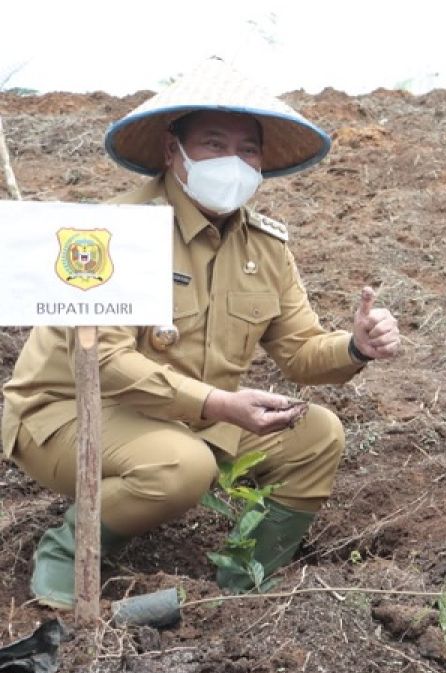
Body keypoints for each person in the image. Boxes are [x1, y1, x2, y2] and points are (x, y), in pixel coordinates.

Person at [1, 58, 401, 608]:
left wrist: (357, 345)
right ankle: (69, 554)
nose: (233, 162)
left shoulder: (265, 246)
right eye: (214, 144)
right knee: (182, 467)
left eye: (248, 150)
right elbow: (107, 362)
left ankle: (241, 578)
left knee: (318, 436)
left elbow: (301, 352)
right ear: (173, 151)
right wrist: (218, 403)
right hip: (68, 411)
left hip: (186, 414)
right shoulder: (115, 231)